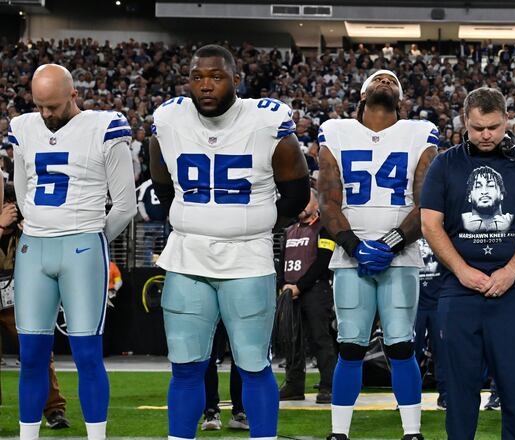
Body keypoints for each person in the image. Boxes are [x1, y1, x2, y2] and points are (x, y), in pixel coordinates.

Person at [148, 45, 311, 440]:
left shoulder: (266, 120)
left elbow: (296, 193)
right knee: (185, 365)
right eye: (197, 76)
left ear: (236, 80)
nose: (205, 85)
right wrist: (196, 221)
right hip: (188, 256)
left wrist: (251, 225)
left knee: (254, 363)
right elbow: (163, 186)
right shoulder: (168, 119)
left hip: (248, 258)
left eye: (216, 77)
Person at [11, 64, 137, 440]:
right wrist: (38, 225)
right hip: (34, 247)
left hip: (82, 245)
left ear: (73, 96)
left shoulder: (104, 126)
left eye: (53, 106)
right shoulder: (23, 127)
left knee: (86, 355)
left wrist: (92, 241)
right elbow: (22, 191)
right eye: (40, 107)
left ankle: (96, 437)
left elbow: (126, 205)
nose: (46, 115)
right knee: (31, 356)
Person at [421, 87, 515, 440]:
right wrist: (463, 271)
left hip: (514, 291)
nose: (485, 135)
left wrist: (510, 271)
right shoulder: (445, 163)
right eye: (477, 127)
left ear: (506, 120)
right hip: (459, 290)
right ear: (465, 121)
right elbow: (429, 224)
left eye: (493, 127)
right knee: (459, 392)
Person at [317, 69, 437, 440]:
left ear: (400, 99)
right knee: (350, 345)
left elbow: (428, 201)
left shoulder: (419, 132)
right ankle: (339, 433)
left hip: (400, 256)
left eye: (393, 80)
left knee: (401, 345)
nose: (385, 80)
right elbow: (326, 199)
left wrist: (391, 243)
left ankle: (412, 432)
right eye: (377, 78)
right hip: (351, 255)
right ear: (362, 93)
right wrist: (354, 246)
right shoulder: (335, 131)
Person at [0, 185, 70, 430]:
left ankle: (54, 410)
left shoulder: (27, 227)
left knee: (39, 352)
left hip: (19, 299)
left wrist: (28, 229)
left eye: (13, 203)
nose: (10, 208)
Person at [278, 190, 337, 404]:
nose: (302, 205)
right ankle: (294, 385)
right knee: (292, 341)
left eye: (307, 201)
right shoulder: (289, 231)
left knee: (320, 339)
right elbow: (281, 262)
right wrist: (283, 285)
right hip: (290, 293)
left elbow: (322, 263)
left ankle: (329, 385)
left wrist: (299, 287)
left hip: (315, 292)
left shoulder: (325, 229)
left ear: (317, 203)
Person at [414, 237, 446, 409]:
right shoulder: (409, 232)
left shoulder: (441, 232)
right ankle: (409, 396)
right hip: (414, 303)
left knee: (443, 352)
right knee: (411, 353)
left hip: (438, 303)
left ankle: (445, 396)